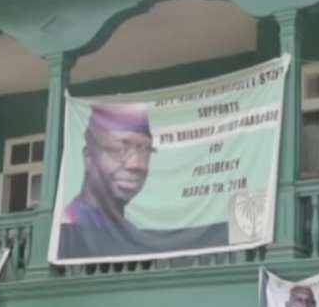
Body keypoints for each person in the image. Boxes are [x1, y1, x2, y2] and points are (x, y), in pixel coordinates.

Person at [57, 103, 228, 258]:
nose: (137, 164)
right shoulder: (69, 229)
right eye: (120, 149)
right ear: (88, 157)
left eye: (145, 149)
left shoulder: (129, 232)